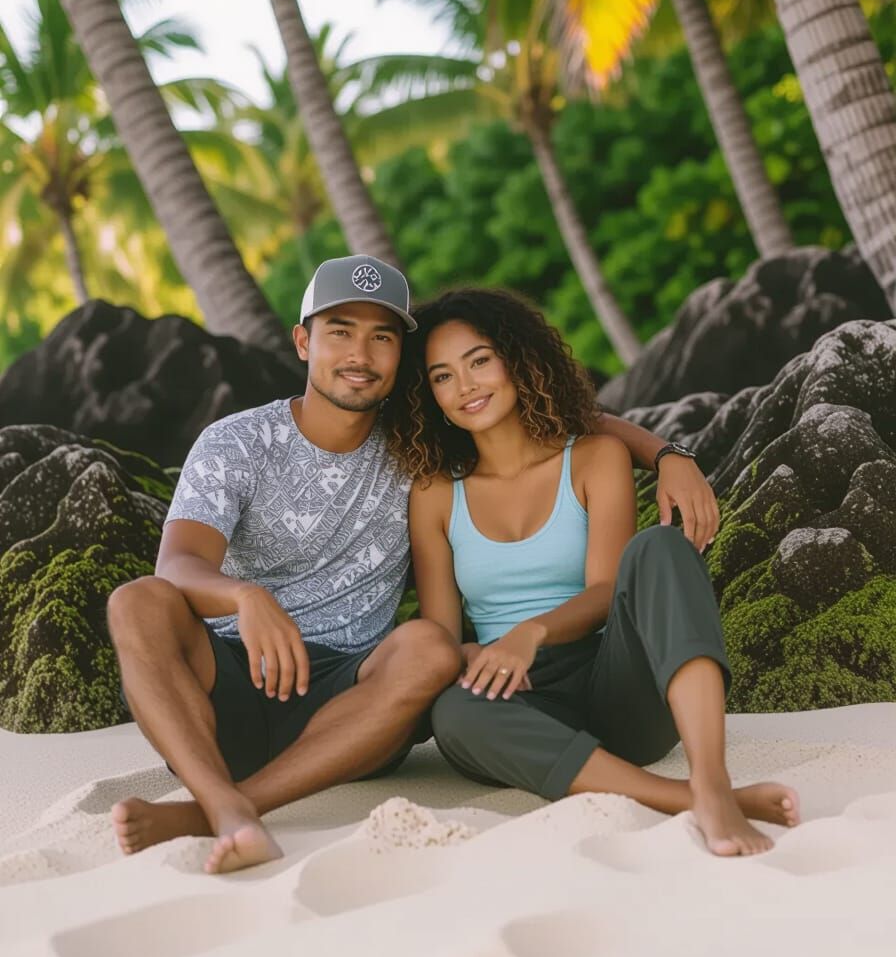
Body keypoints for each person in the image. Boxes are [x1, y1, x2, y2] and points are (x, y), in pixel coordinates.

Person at [107, 257, 724, 875]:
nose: (360, 353)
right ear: (303, 341)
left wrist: (668, 452)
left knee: (430, 647)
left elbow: (546, 416)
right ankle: (224, 806)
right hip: (235, 684)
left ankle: (220, 811)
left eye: (382, 337)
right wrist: (245, 597)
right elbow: (179, 564)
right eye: (340, 331)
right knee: (136, 601)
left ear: (400, 359)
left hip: (357, 702)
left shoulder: (415, 442)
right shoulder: (237, 442)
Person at [384, 287, 800, 857]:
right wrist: (473, 656)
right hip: (518, 698)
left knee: (659, 547)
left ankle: (711, 777)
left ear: (517, 359)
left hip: (613, 681)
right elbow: (439, 632)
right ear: (427, 394)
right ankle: (685, 797)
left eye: (479, 361)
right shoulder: (434, 494)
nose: (466, 387)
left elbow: (607, 591)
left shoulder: (594, 457)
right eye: (442, 376)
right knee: (454, 711)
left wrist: (532, 633)